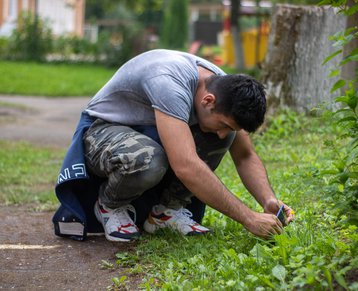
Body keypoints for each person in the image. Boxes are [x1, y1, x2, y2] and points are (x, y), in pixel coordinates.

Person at [53, 49, 295, 242]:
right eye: (223, 123)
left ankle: (164, 213)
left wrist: (268, 200)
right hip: (102, 131)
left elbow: (244, 156)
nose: (222, 134)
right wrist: (249, 218)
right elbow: (186, 166)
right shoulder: (169, 83)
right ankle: (109, 205)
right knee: (148, 158)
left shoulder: (224, 88)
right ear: (208, 100)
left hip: (147, 132)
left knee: (224, 136)